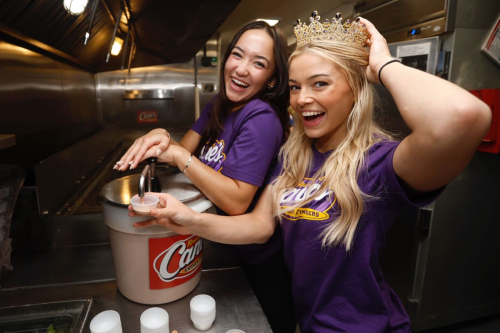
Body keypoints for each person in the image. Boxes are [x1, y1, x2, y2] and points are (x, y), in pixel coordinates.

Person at [129, 13, 491, 333]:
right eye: (297, 87)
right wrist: (188, 219)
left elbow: (465, 117)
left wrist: (381, 66)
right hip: (310, 320)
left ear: (355, 90)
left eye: (320, 84)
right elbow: (259, 226)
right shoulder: (294, 156)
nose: (302, 99)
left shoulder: (377, 163)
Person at [115, 21, 296, 333]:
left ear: (271, 80)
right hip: (221, 245)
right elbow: (183, 150)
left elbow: (237, 200)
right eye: (237, 55)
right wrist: (162, 137)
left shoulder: (261, 118)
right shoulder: (218, 105)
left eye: (259, 63)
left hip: (257, 264)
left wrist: (178, 155)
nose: (241, 69)